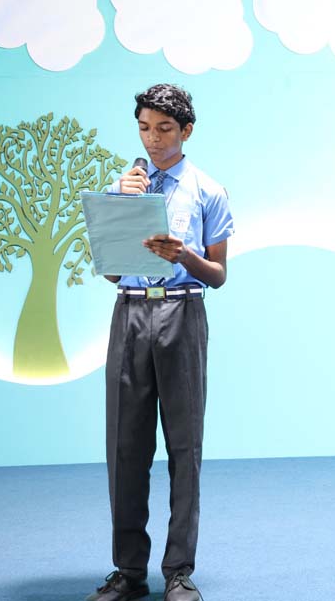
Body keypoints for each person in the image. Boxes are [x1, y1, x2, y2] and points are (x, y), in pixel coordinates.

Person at [87, 84, 234, 601]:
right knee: (125, 447)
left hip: (183, 313)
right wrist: (120, 206)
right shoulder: (122, 187)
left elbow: (218, 274)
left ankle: (178, 572)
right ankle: (129, 572)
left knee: (184, 446)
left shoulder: (208, 191)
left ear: (186, 130)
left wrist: (183, 255)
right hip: (129, 312)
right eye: (145, 128)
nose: (153, 139)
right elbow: (111, 272)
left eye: (165, 129)